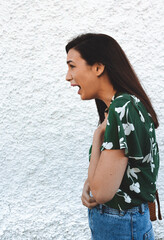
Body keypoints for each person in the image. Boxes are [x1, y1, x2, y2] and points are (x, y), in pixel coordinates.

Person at [65, 33, 159, 240]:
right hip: (120, 222)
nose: (68, 77)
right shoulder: (120, 105)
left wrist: (97, 135)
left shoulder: (122, 107)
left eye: (72, 66)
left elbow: (102, 194)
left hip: (121, 224)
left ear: (98, 68)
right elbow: (108, 178)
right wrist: (89, 184)